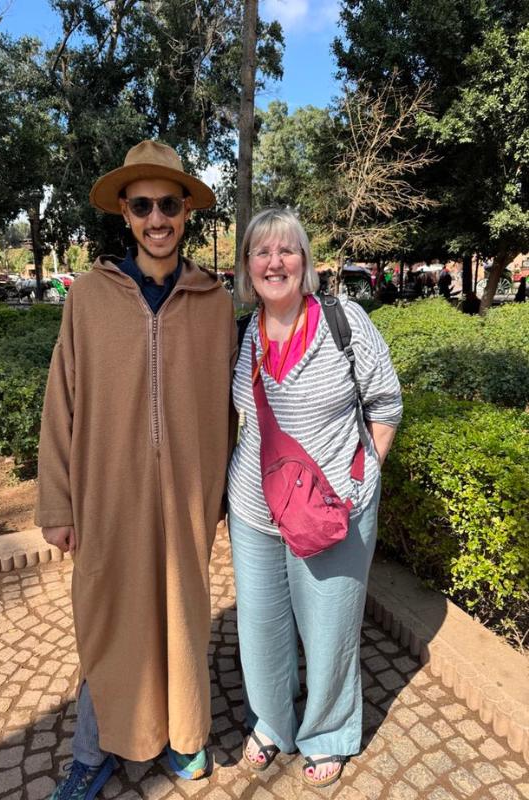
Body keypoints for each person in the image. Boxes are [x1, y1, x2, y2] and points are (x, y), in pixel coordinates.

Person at [36, 140, 236, 799]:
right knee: (110, 617)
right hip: (109, 499)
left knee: (181, 614)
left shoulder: (213, 304)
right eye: (144, 204)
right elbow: (61, 404)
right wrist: (58, 506)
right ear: (125, 211)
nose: (158, 218)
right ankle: (95, 751)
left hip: (184, 502)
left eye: (170, 204)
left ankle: (182, 739)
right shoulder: (89, 299)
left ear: (186, 213)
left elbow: (230, 410)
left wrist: (226, 495)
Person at [228, 209, 402, 788]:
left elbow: (386, 403)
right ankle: (272, 723)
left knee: (329, 629)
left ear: (305, 262)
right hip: (255, 512)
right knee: (261, 626)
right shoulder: (242, 333)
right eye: (261, 252)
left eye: (287, 251)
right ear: (247, 264)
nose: (274, 262)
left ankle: (328, 732)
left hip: (333, 509)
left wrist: (366, 476)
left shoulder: (342, 321)